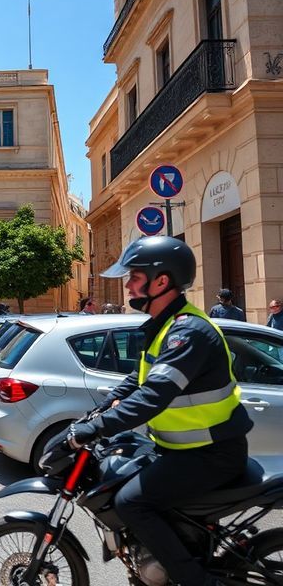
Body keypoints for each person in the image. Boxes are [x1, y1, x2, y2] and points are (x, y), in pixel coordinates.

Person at [67, 236, 252, 586]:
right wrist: (97, 413)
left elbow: (154, 395)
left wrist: (96, 429)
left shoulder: (188, 331)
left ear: (161, 281)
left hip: (210, 455)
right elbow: (136, 382)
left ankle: (196, 580)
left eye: (134, 277)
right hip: (181, 451)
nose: (127, 284)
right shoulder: (165, 327)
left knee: (131, 502)